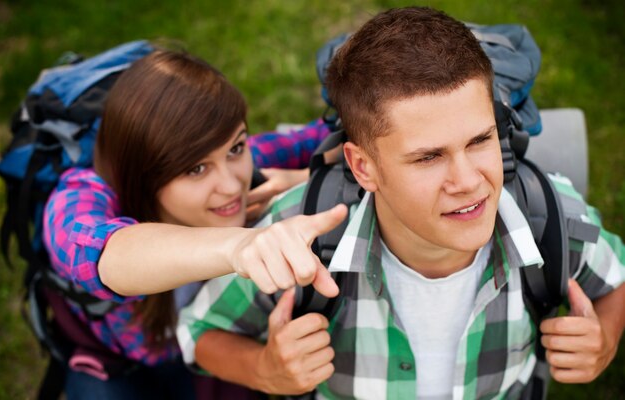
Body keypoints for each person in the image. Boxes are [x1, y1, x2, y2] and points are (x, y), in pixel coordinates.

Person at [177, 6, 625, 399]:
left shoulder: (551, 215)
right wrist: (264, 370)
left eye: (481, 140)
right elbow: (198, 332)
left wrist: (605, 338)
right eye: (429, 157)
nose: (469, 182)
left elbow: (616, 279)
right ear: (363, 167)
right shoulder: (297, 234)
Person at [42, 49, 347, 399]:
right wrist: (239, 246)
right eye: (195, 169)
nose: (232, 185)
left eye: (236, 148)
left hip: (205, 345)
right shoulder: (80, 196)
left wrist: (301, 176)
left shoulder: (240, 162)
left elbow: (339, 133)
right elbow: (101, 254)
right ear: (144, 171)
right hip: (115, 361)